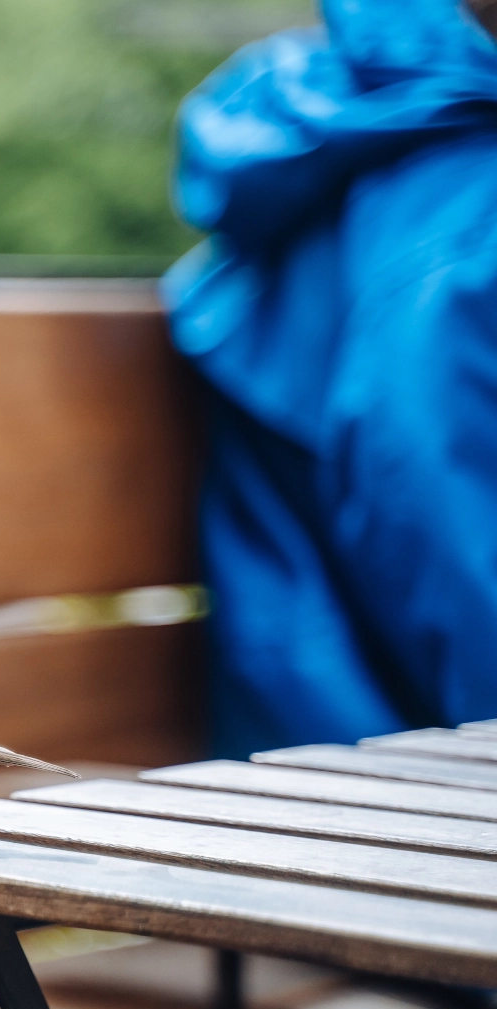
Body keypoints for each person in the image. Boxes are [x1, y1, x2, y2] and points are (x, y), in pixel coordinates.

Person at [162, 0, 497, 759]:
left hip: (345, 734)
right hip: (382, 771)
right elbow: (442, 533)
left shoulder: (390, 129)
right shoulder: (465, 220)